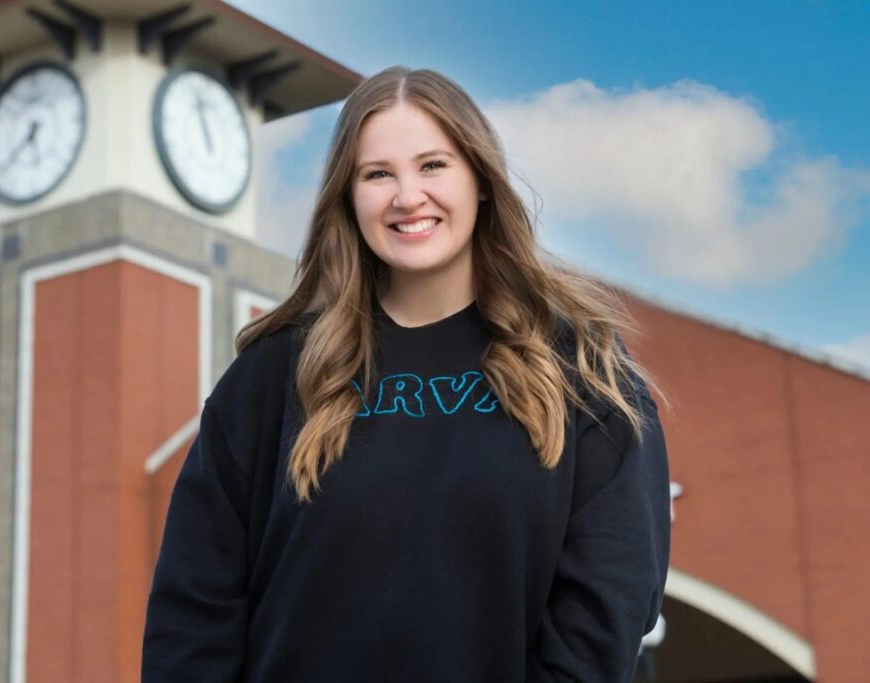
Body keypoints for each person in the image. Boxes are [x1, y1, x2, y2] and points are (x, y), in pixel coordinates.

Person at [141, 65, 672, 683]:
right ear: (348, 196)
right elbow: (193, 607)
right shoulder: (272, 376)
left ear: (479, 180)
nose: (407, 196)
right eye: (377, 174)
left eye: (433, 165)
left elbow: (607, 606)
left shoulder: (583, 370)